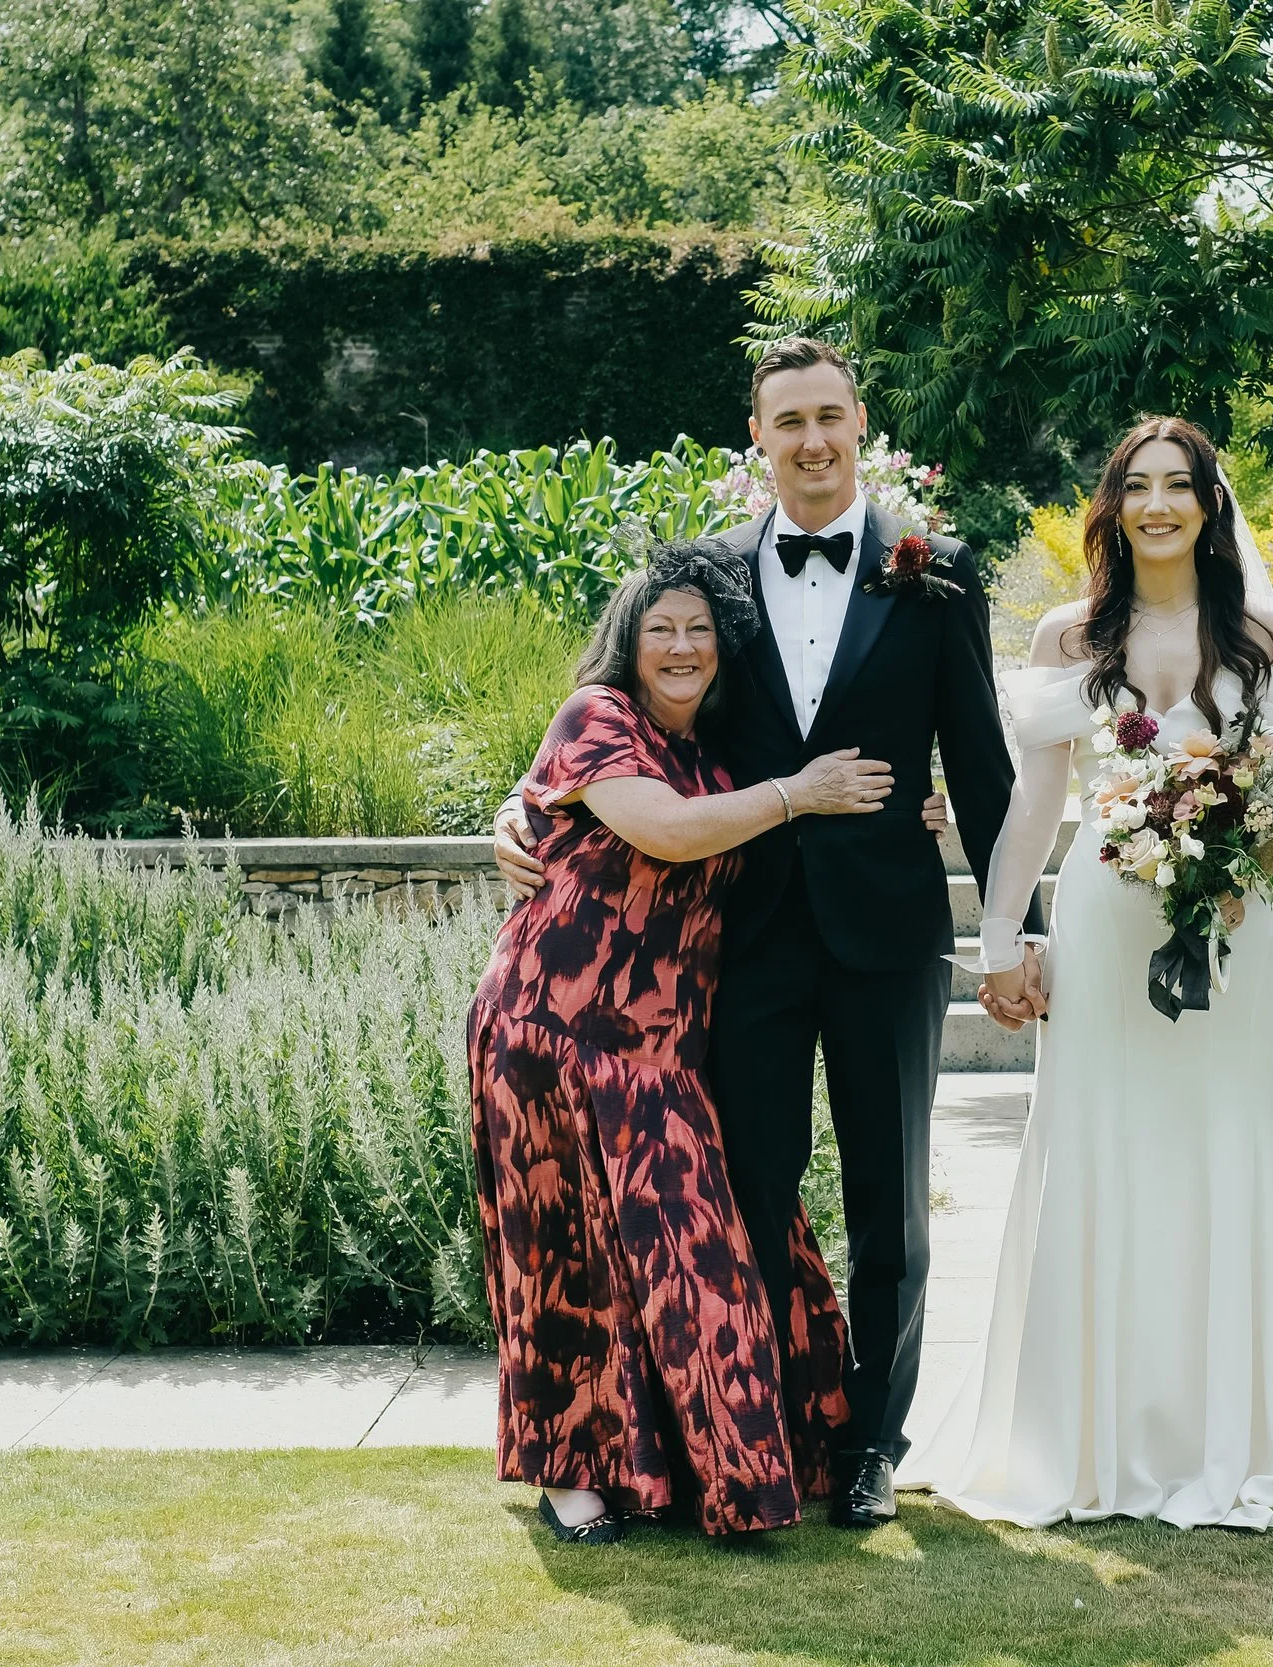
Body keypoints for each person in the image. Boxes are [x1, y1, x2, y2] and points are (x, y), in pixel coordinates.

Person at [494, 338, 1024, 1528]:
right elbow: (622, 707)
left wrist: (1008, 927)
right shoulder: (715, 577)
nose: (812, 440)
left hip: (888, 932)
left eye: (830, 416)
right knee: (747, 1191)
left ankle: (875, 1443)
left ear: (861, 422)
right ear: (760, 437)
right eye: (788, 422)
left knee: (891, 1200)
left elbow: (982, 766)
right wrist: (514, 806)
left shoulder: (934, 571)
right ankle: (761, 1426)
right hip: (739, 942)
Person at [900, 416, 1273, 1530]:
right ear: (1112, 507)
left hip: (1235, 933)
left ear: (1211, 505)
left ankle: (1237, 1434)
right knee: (1103, 1155)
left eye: (1181, 485)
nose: (1160, 504)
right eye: (1139, 487)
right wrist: (1002, 933)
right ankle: (1097, 1438)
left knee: (1231, 1152)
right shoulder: (1064, 640)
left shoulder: (1266, 635)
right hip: (1109, 932)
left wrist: (1247, 859)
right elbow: (1034, 802)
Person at [470, 542, 897, 1542]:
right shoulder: (598, 717)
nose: (680, 644)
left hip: (660, 1053)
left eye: (699, 629)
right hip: (550, 1030)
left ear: (724, 646)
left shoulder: (717, 753)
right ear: (629, 637)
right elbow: (660, 829)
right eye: (660, 626)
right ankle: (570, 1473)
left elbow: (718, 821)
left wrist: (906, 807)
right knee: (559, 1260)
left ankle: (722, 1470)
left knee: (692, 1254)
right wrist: (800, 790)